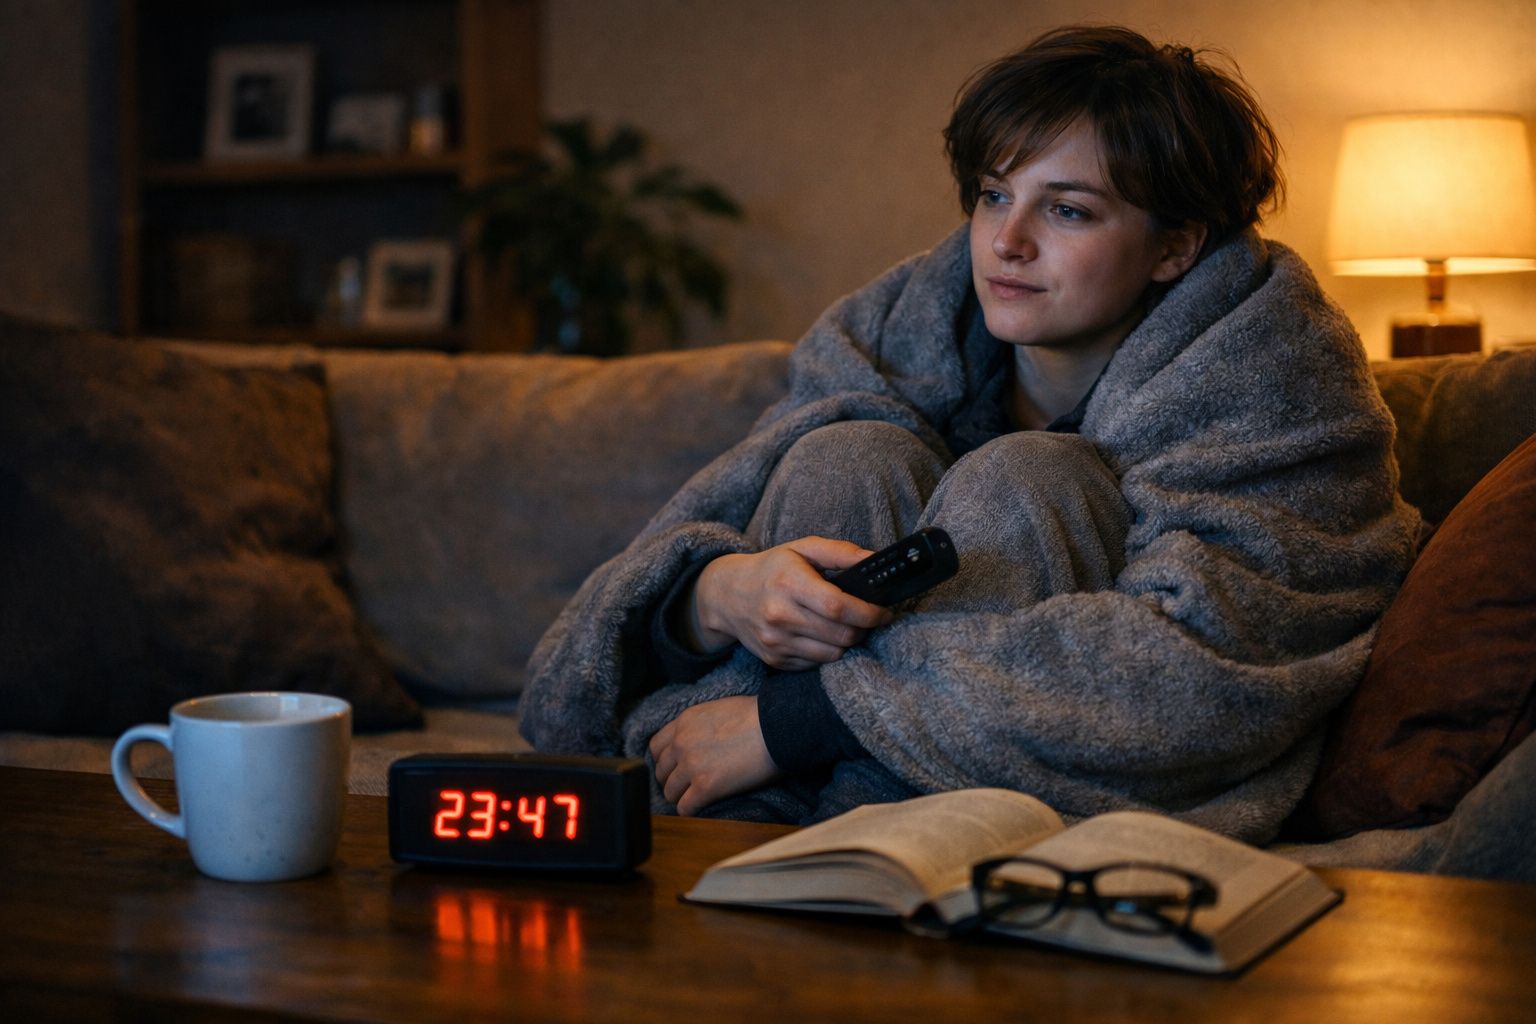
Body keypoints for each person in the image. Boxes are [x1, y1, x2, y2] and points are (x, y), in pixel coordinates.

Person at [519, 25, 1421, 843]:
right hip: (763, 785)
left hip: (1040, 801)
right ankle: (764, 838)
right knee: (850, 453)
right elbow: (586, 672)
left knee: (1026, 475)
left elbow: (1207, 664)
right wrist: (715, 595)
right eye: (994, 195)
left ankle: (890, 843)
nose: (1007, 243)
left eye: (1068, 210)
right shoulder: (885, 336)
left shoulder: (1272, 373)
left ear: (1175, 247)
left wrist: (803, 722)